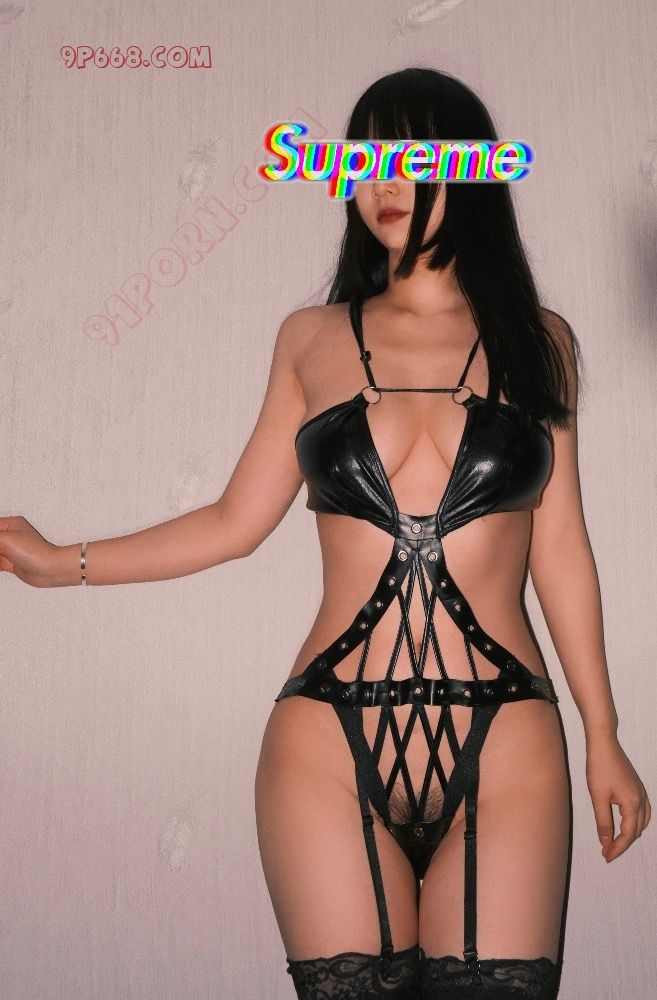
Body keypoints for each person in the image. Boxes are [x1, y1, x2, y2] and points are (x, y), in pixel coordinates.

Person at [0, 68, 651, 1000]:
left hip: (507, 739)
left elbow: (561, 551)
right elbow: (234, 522)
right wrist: (58, 563)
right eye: (364, 161)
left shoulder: (536, 341)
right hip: (325, 741)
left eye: (411, 157)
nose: (382, 182)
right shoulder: (309, 338)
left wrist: (604, 734)